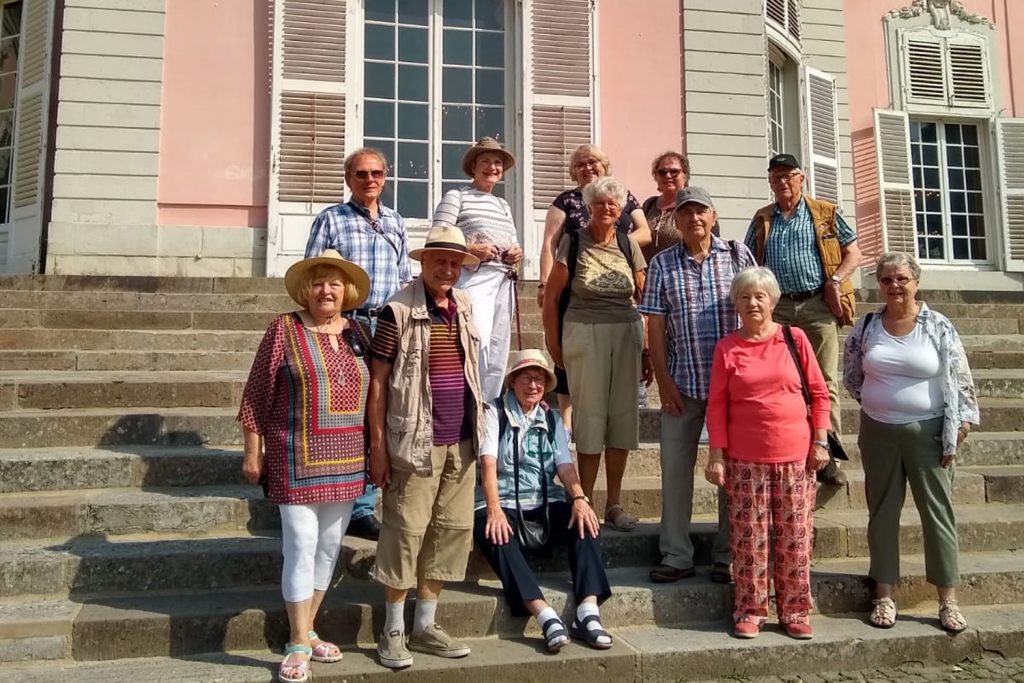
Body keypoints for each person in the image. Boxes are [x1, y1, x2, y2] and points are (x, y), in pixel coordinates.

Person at [238, 250, 373, 682]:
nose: (326, 290)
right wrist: (252, 450)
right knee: (300, 543)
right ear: (305, 289)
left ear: (347, 290)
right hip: (293, 454)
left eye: (334, 282)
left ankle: (308, 629)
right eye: (318, 282)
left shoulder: (360, 331)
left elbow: (378, 393)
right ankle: (297, 642)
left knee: (330, 547)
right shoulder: (284, 328)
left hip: (350, 457)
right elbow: (257, 392)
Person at [366, 224, 486, 670]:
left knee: (450, 532)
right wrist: (377, 446)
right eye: (440, 259)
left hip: (461, 439)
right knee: (405, 532)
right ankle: (393, 628)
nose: (448, 268)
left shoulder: (466, 306)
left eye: (455, 262)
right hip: (413, 441)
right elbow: (377, 383)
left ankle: (425, 625)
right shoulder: (395, 310)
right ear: (422, 261)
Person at [843, 252, 979, 633]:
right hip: (879, 431)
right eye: (887, 280)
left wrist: (962, 424)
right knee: (881, 513)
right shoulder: (867, 325)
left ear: (916, 282)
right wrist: (878, 402)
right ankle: (884, 594)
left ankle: (947, 600)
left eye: (902, 279)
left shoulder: (938, 325)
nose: (894, 286)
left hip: (929, 432)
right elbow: (852, 374)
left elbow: (961, 376)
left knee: (937, 514)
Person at [704, 266, 831, 640]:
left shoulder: (795, 339)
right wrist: (716, 455)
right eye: (745, 297)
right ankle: (750, 609)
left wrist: (821, 440)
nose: (752, 302)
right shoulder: (727, 347)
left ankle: (793, 609)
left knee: (795, 536)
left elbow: (819, 393)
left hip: (796, 455)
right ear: (736, 305)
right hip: (744, 459)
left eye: (760, 296)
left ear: (773, 301)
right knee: (748, 539)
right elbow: (716, 406)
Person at [639, 187, 756, 584]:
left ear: (713, 214)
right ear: (676, 221)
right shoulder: (662, 265)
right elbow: (654, 325)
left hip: (735, 388)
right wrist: (664, 381)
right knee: (675, 471)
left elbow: (758, 314)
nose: (694, 220)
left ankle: (728, 554)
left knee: (734, 473)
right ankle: (676, 554)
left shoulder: (738, 256)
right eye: (686, 213)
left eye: (701, 211)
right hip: (682, 383)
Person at [304, 147, 412, 541]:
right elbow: (313, 277)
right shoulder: (331, 219)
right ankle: (349, 500)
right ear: (348, 178)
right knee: (350, 412)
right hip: (346, 325)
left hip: (386, 324)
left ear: (386, 177)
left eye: (377, 173)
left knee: (381, 410)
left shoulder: (397, 222)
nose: (370, 180)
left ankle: (368, 500)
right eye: (362, 174)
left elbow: (404, 279)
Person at [474, 349, 613, 652]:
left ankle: (588, 610)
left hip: (542, 499)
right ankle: (543, 612)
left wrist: (578, 496)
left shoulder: (550, 418)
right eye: (527, 378)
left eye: (539, 379)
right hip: (503, 499)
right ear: (512, 382)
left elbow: (564, 465)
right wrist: (495, 508)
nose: (534, 385)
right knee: (494, 531)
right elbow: (487, 461)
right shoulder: (493, 411)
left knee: (585, 521)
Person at [745, 153, 861, 487]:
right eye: (776, 177)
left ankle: (829, 454)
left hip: (816, 305)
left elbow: (853, 252)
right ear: (770, 182)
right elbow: (750, 260)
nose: (782, 182)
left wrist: (835, 282)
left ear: (801, 178)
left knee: (824, 381)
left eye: (788, 176)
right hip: (777, 312)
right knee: (778, 380)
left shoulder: (825, 213)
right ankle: (787, 446)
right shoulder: (763, 218)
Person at [542, 175, 649, 532]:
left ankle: (615, 503)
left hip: (626, 332)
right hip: (583, 332)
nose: (607, 209)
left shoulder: (626, 242)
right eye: (600, 203)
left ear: (621, 210)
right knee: (588, 418)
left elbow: (643, 297)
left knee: (621, 419)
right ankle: (583, 500)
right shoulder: (572, 242)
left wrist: (647, 349)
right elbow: (553, 296)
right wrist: (553, 343)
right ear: (589, 207)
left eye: (613, 204)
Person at [538, 144, 652, 429]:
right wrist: (544, 282)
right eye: (580, 165)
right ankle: (566, 420)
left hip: (619, 283)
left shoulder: (621, 195)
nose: (587, 168)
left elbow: (645, 233)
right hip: (573, 280)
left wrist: (609, 246)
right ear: (574, 172)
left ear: (605, 166)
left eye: (593, 162)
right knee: (566, 347)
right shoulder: (566, 200)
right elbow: (550, 243)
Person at [430, 136, 521, 401]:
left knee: (497, 350)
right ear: (473, 166)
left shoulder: (503, 204)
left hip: (504, 280)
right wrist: (471, 249)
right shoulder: (456, 195)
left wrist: (516, 252)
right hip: (474, 278)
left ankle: (488, 406)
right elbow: (438, 238)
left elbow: (513, 241)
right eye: (485, 162)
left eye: (497, 163)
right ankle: (467, 401)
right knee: (475, 340)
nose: (492, 167)